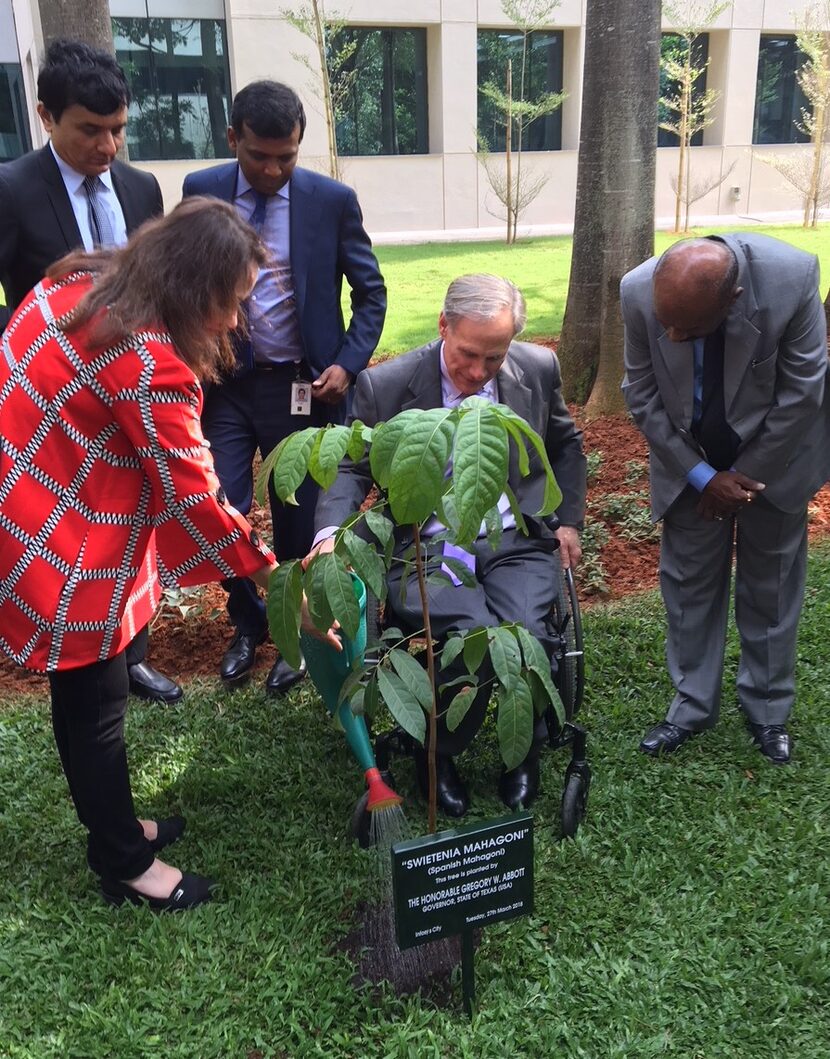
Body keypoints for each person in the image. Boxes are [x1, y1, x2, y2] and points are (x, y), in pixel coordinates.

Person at [0, 198, 337, 910]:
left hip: (30, 493)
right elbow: (200, 503)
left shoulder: (80, 280)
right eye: (232, 302)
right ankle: (124, 862)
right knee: (95, 699)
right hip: (62, 536)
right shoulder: (148, 360)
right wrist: (281, 588)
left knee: (94, 684)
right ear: (194, 287)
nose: (237, 322)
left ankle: (118, 824)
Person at [309, 275, 587, 816]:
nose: (479, 371)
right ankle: (438, 754)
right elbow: (350, 466)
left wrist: (568, 520)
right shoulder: (385, 386)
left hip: (515, 538)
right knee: (473, 638)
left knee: (526, 637)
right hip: (427, 545)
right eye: (468, 354)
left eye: (494, 358)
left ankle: (521, 752)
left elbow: (565, 444)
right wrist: (328, 537)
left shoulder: (536, 368)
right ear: (443, 326)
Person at [182, 80, 387, 697]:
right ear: (233, 140)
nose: (272, 170)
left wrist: (348, 364)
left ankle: (297, 636)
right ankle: (248, 625)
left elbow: (370, 292)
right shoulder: (202, 192)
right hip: (224, 386)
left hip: (305, 388)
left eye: (287, 157)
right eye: (259, 156)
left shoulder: (332, 200)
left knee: (299, 520)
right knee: (225, 507)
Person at [0, 38, 181, 706]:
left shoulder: (140, 187)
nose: (107, 146)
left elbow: (162, 289)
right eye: (89, 131)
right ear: (47, 115)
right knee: (78, 538)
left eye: (118, 130)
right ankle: (77, 656)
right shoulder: (11, 189)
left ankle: (132, 653)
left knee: (136, 531)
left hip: (134, 400)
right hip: (59, 418)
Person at [621, 234, 830, 765]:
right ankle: (690, 706)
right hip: (688, 460)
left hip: (776, 459)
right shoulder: (638, 290)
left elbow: (804, 390)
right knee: (687, 586)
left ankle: (767, 710)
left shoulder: (793, 278)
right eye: (665, 320)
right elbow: (640, 393)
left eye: (687, 329)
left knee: (773, 587)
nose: (671, 333)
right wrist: (700, 475)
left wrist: (742, 478)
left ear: (733, 298)